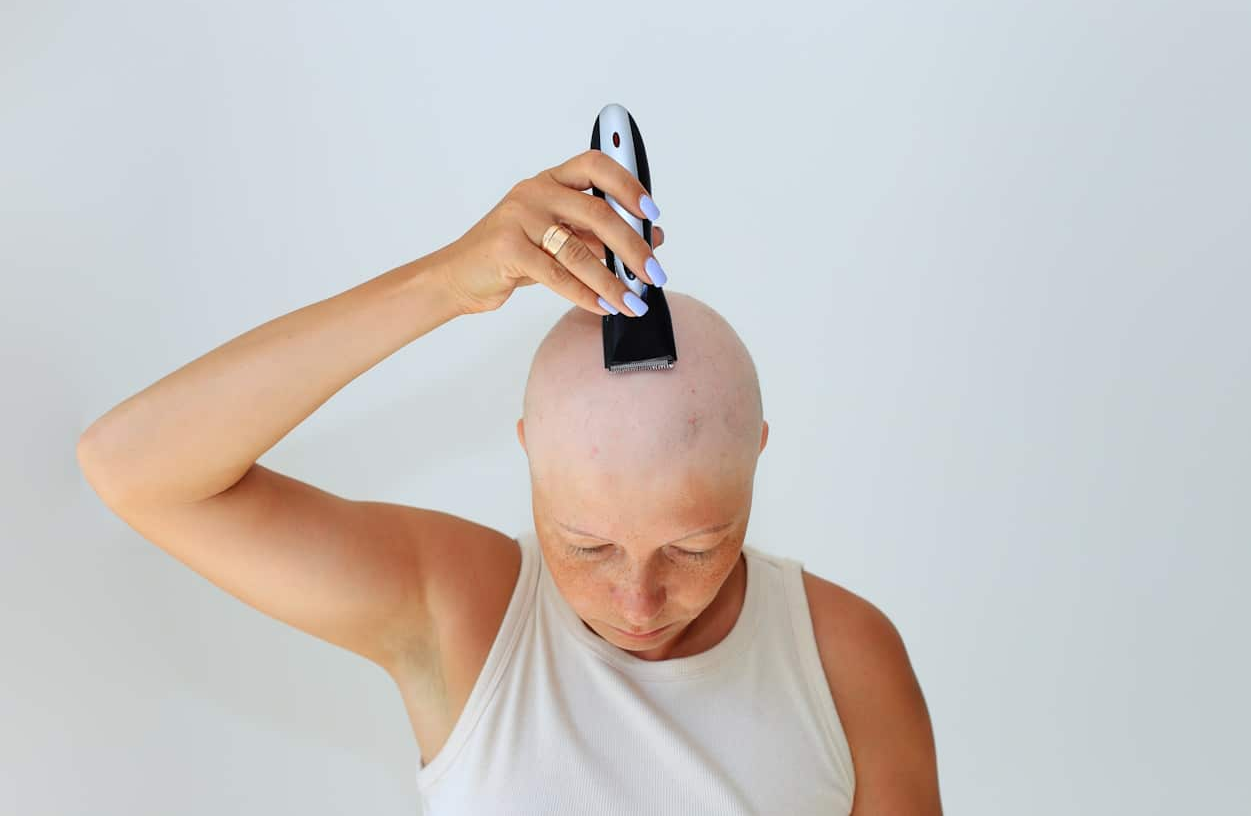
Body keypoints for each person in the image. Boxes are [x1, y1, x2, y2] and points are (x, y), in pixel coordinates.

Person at [77, 149, 942, 814]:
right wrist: (446, 282)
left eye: (694, 546)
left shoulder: (845, 659)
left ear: (758, 453)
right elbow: (133, 467)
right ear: (526, 452)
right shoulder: (467, 614)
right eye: (588, 544)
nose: (638, 601)